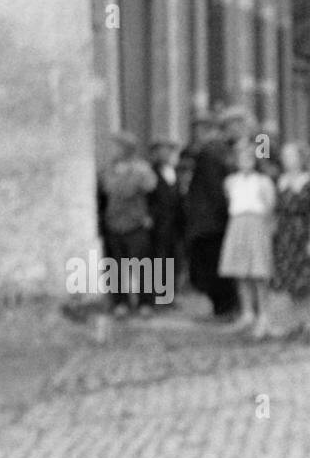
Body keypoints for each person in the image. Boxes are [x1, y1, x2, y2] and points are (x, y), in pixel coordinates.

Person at [220, 137, 277, 338]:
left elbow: (270, 207)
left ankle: (263, 314)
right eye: (241, 158)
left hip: (256, 225)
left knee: (258, 272)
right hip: (238, 224)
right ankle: (247, 312)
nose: (245, 162)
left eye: (249, 158)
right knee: (241, 271)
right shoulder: (231, 182)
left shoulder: (263, 182)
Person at [183, 117, 238, 320]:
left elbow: (266, 167)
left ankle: (233, 307)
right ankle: (226, 307)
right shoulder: (215, 150)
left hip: (235, 213)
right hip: (217, 217)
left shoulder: (259, 140)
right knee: (212, 264)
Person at [98, 131, 157, 317]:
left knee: (141, 264)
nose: (112, 150)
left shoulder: (141, 169)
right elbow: (103, 193)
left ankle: (145, 303)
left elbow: (152, 190)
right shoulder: (106, 170)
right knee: (115, 265)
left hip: (136, 223)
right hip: (113, 222)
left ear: (126, 149)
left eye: (116, 146)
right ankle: (120, 303)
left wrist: (150, 217)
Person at [272, 141, 310, 342]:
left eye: (290, 155)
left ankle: (308, 324)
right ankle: (297, 323)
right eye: (284, 156)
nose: (286, 160)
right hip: (286, 238)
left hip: (303, 234)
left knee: (306, 283)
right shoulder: (281, 181)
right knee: (291, 283)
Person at [147, 138, 185, 295]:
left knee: (174, 258)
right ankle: (158, 293)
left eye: (169, 151)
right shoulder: (151, 172)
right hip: (159, 222)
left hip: (175, 222)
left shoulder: (175, 171)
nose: (166, 154)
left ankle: (170, 293)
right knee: (159, 258)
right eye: (162, 151)